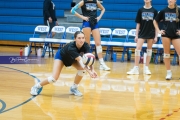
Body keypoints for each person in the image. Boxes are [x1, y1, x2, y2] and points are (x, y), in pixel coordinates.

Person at [30, 31, 98, 96]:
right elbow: (81, 61)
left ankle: (73, 88)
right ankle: (36, 86)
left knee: (82, 70)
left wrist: (92, 70)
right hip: (61, 57)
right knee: (53, 79)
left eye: (83, 38)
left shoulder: (86, 46)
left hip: (72, 59)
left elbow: (90, 59)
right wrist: (89, 72)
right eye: (79, 38)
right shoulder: (71, 47)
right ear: (75, 39)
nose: (81, 40)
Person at [70, 0, 110, 71]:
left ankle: (102, 63)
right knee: (87, 44)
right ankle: (86, 63)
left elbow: (103, 9)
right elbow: (72, 10)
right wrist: (82, 17)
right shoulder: (83, 2)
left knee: (98, 43)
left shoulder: (96, 2)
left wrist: (99, 17)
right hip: (87, 23)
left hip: (95, 23)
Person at [127, 0, 158, 75]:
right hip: (142, 33)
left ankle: (146, 68)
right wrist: (136, 35)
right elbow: (138, 23)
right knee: (137, 49)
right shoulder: (140, 10)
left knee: (149, 50)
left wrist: (156, 36)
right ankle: (136, 68)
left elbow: (156, 24)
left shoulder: (154, 10)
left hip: (151, 33)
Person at [153, 0, 180, 80]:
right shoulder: (163, 11)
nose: (170, 0)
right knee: (166, 54)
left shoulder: (178, 10)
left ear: (175, 0)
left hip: (176, 35)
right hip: (166, 35)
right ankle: (168, 73)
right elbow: (155, 21)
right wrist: (158, 31)